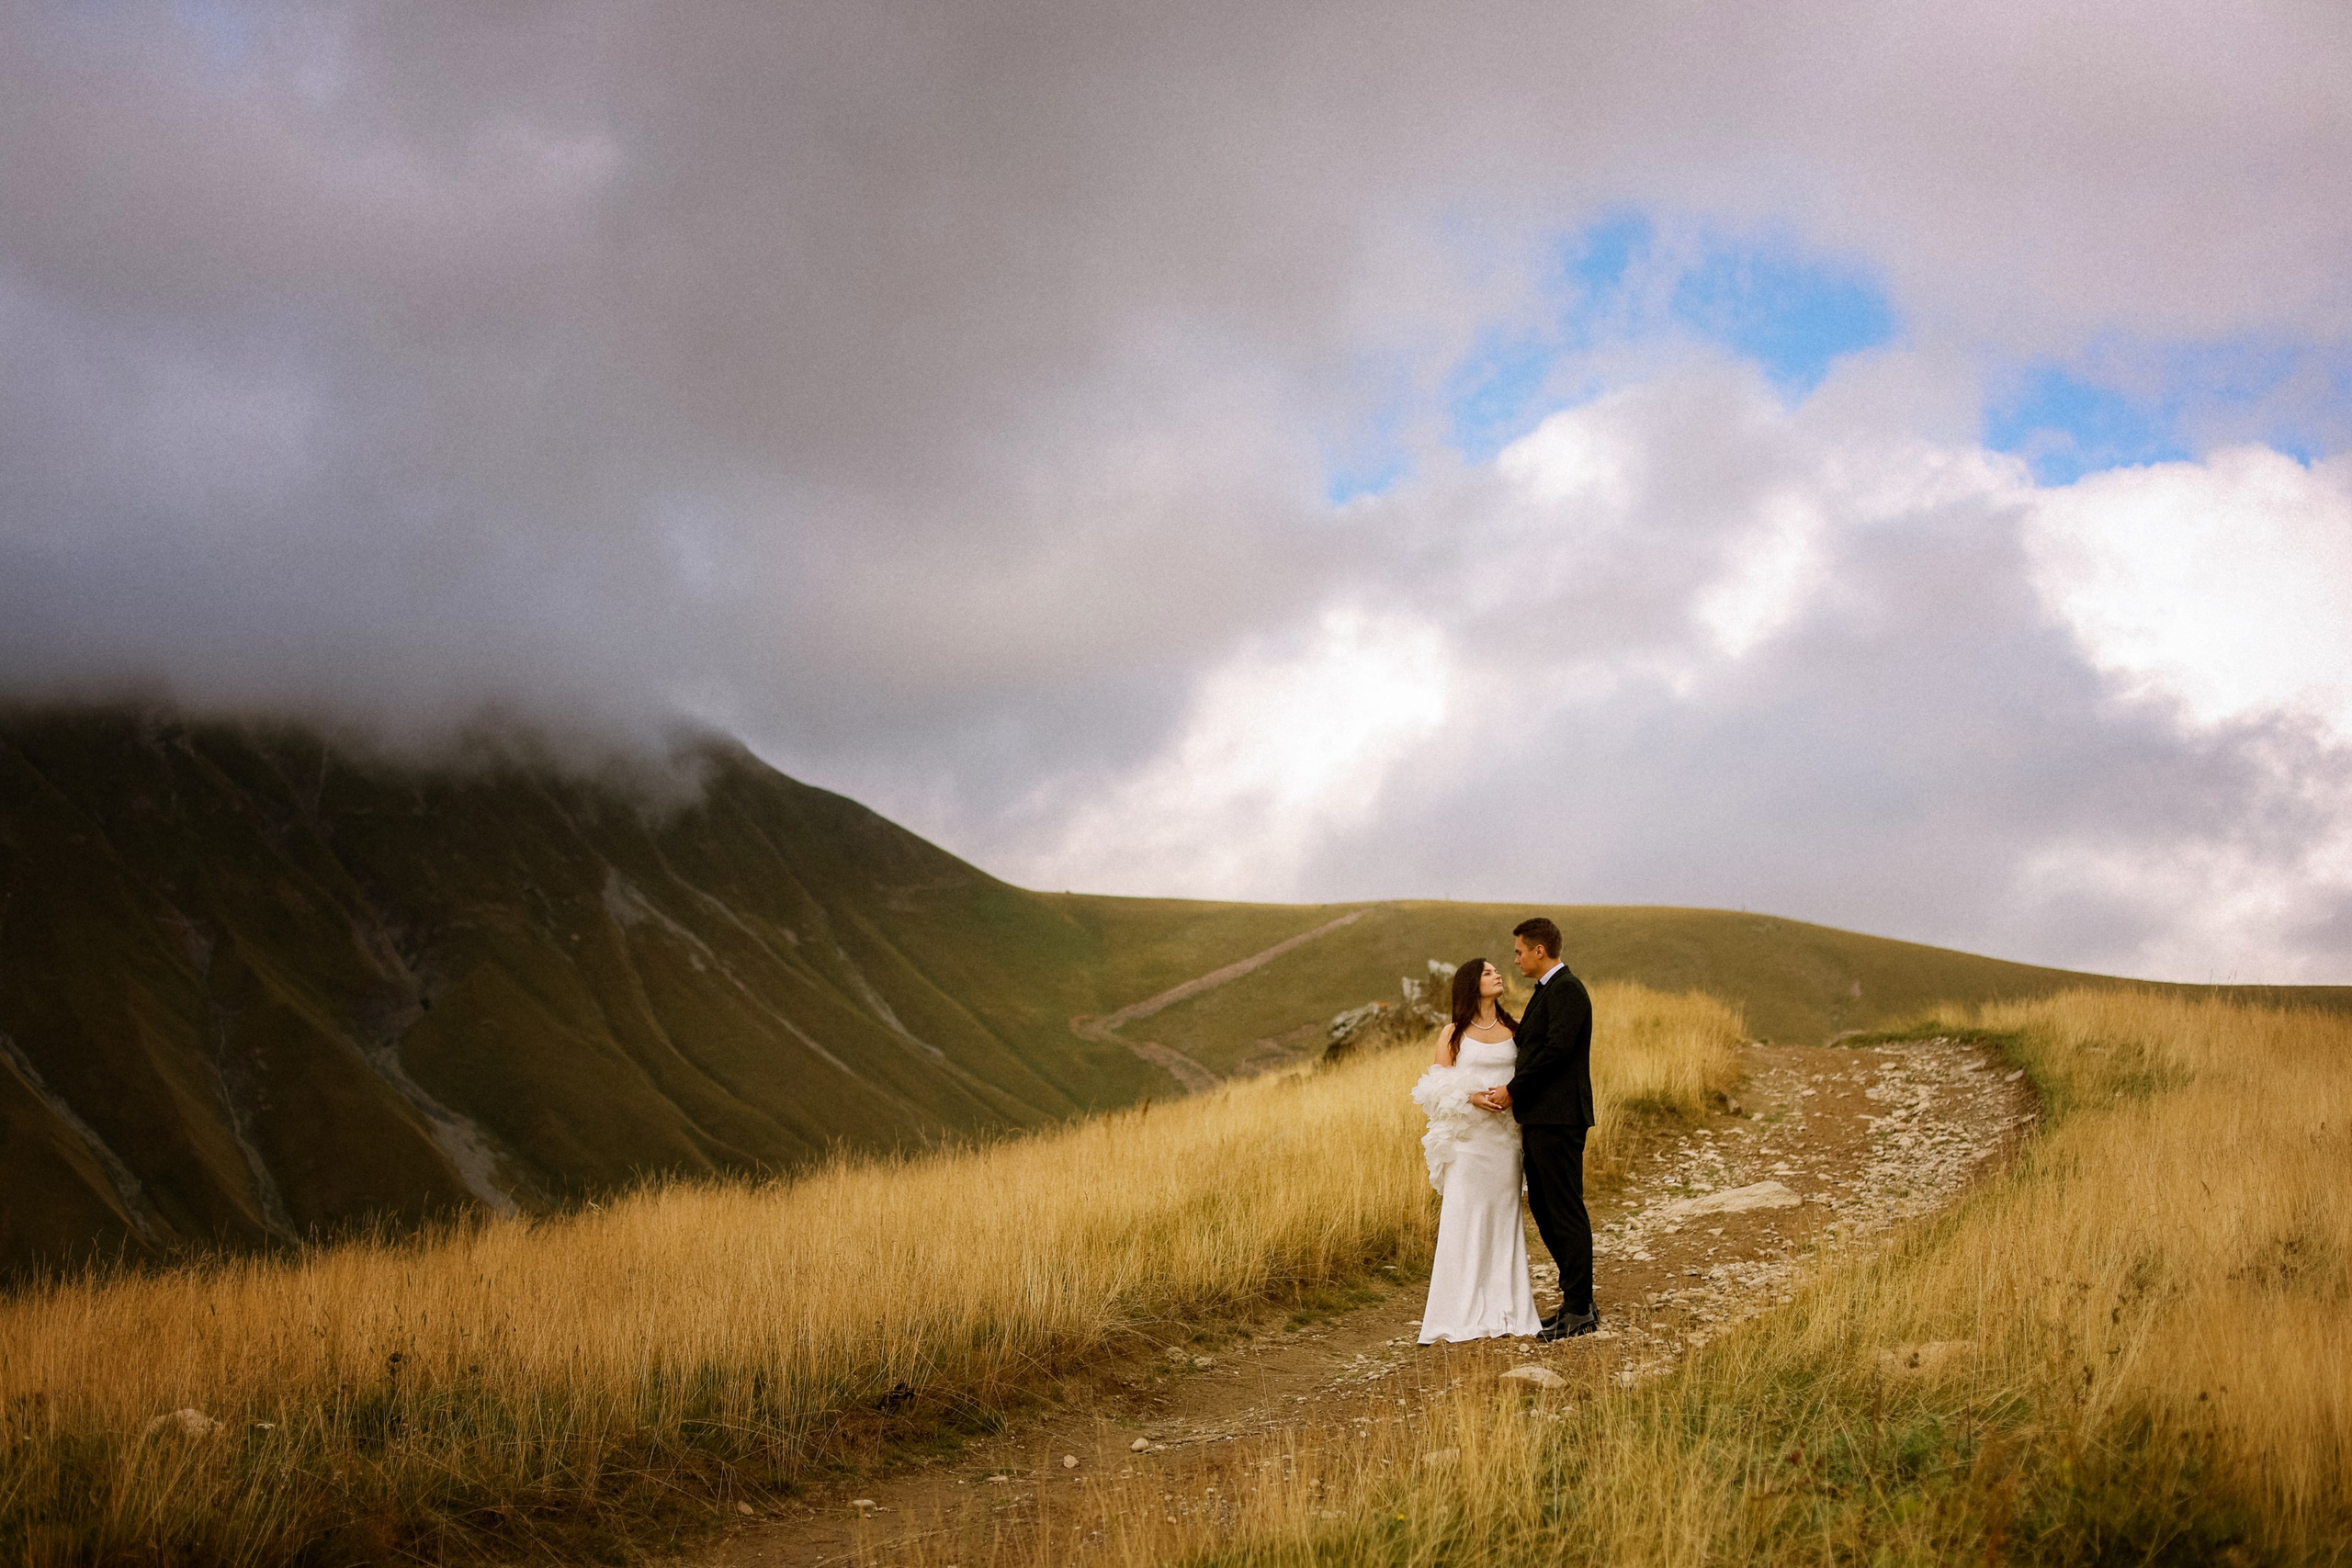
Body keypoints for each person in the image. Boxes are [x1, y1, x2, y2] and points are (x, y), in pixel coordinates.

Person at [1473, 916, 1598, 1338]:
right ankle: (1575, 1300)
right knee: (1545, 1209)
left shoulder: (1568, 991)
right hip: (1542, 1119)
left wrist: (1512, 1090)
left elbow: (1556, 1052)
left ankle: (1580, 1309)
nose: (1516, 959)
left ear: (1539, 951)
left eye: (1519, 951)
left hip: (1559, 1117)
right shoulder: (1548, 991)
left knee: (1564, 1209)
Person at [1408, 957, 1543, 1343]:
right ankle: (1458, 1313)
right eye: (1487, 972)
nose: (1498, 974)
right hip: (1468, 1145)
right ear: (1472, 983)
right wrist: (1472, 1097)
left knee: (1503, 1223)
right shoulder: (1454, 1033)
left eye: (1497, 970)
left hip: (1503, 1143)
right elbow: (1436, 1087)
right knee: (1464, 1220)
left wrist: (1510, 1095)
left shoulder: (1514, 1028)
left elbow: (1528, 1075)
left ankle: (1507, 1312)